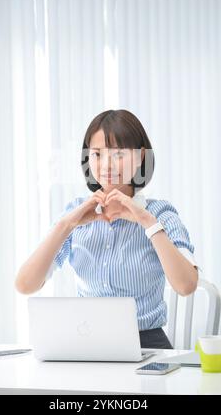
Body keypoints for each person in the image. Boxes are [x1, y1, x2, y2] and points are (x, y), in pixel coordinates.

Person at [15, 109, 199, 349]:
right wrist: (66, 225)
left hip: (147, 344)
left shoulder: (160, 214)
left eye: (119, 154)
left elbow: (186, 286)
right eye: (97, 154)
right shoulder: (74, 214)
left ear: (141, 157)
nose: (106, 165)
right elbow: (25, 285)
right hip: (88, 344)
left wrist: (148, 223)